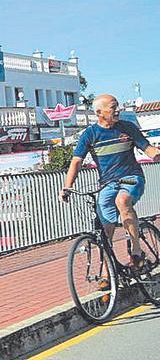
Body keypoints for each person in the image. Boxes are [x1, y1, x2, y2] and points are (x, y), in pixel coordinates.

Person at [61, 94, 159, 266]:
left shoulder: (128, 127)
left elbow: (148, 149)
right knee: (105, 231)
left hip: (130, 178)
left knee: (122, 200)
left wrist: (156, 155)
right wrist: (67, 187)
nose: (118, 110)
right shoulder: (90, 134)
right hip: (108, 184)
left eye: (117, 106)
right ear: (99, 112)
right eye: (113, 107)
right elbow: (76, 161)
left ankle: (136, 251)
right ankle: (109, 273)